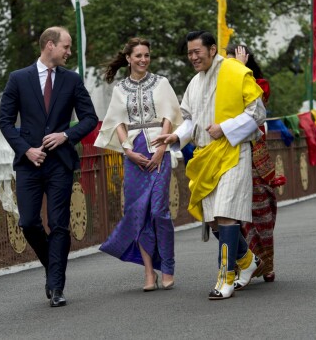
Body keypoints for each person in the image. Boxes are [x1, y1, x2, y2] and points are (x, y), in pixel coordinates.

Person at [152, 31, 266, 300]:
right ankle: (248, 261)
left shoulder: (236, 72)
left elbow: (258, 112)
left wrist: (225, 128)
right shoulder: (194, 82)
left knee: (226, 214)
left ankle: (225, 277)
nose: (193, 57)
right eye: (190, 53)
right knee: (214, 220)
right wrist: (176, 136)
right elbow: (190, 121)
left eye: (197, 52)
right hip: (206, 158)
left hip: (233, 153)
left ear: (212, 49)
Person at [0, 26, 98, 307]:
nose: (69, 51)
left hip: (60, 163)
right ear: (50, 45)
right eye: (66, 47)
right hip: (29, 163)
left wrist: (66, 135)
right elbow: (5, 121)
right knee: (28, 222)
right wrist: (26, 150)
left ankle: (56, 286)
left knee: (59, 225)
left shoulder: (72, 80)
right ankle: (53, 266)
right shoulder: (18, 79)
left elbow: (90, 118)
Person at [94, 37, 183, 291]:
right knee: (138, 213)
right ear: (129, 59)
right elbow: (117, 123)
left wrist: (162, 148)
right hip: (134, 154)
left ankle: (167, 266)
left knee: (158, 211)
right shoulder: (120, 88)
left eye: (147, 55)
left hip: (158, 150)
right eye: (138, 56)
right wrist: (128, 151)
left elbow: (170, 116)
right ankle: (148, 272)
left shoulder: (162, 83)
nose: (143, 59)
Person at [226, 44, 286, 287]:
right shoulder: (218, 87)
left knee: (260, 213)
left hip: (255, 157)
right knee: (231, 214)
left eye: (234, 61)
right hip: (228, 154)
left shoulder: (257, 84)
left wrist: (239, 69)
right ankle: (243, 266)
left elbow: (253, 107)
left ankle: (267, 264)